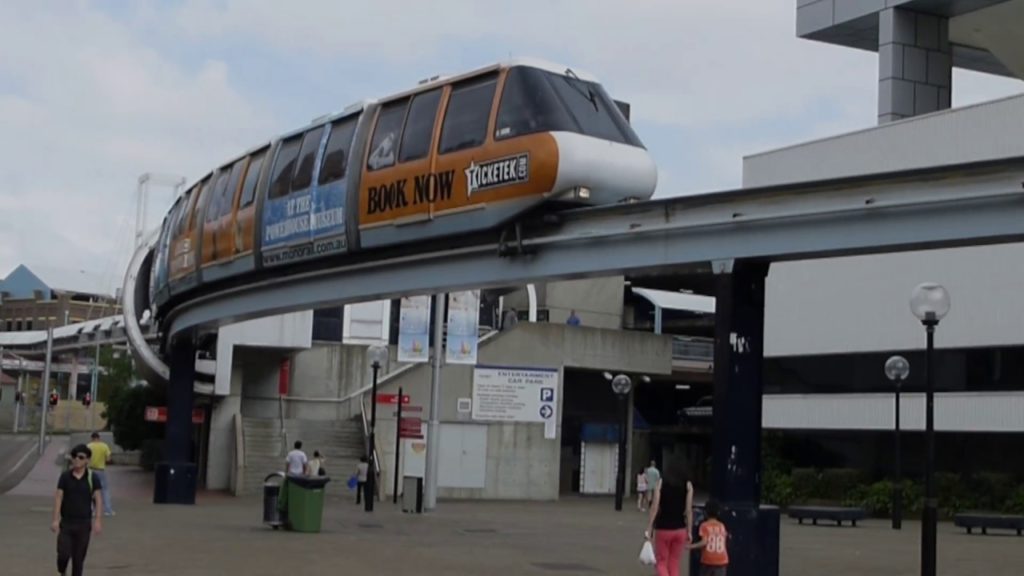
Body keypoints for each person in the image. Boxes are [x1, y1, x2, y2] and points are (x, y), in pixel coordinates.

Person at [53, 443, 103, 576]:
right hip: (67, 523)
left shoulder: (93, 478)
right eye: (74, 456)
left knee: (78, 559)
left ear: (87, 460)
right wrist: (55, 520)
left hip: (84, 524)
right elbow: (58, 497)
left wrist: (97, 520)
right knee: (63, 554)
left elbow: (98, 499)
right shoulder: (65, 477)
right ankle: (61, 570)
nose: (76, 460)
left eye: (81, 457)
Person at [645, 460, 693, 576]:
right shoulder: (688, 485)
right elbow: (688, 510)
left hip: (663, 528)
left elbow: (655, 507)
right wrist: (690, 531)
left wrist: (649, 527)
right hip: (680, 529)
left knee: (661, 562)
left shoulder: (661, 483)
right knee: (674, 563)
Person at [689, 500, 730, 576]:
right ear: (718, 512)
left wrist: (690, 546)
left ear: (706, 512)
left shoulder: (704, 525)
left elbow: (704, 542)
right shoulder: (722, 526)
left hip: (708, 560)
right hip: (722, 559)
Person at [86, 432, 114, 517]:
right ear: (99, 438)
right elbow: (108, 459)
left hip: (90, 470)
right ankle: (108, 510)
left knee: (90, 490)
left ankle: (91, 510)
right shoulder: (104, 446)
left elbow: (85, 458)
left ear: (92, 438)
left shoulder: (88, 446)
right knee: (105, 490)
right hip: (101, 470)